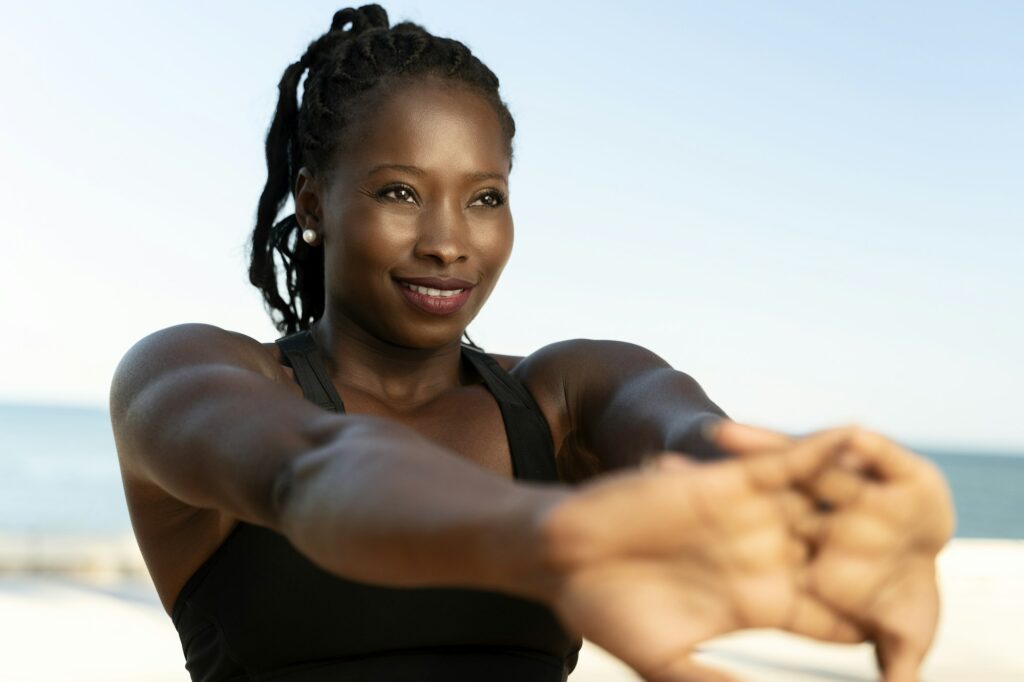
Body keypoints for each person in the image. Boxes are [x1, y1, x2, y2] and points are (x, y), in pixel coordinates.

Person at [109, 5, 954, 682]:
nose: (449, 241)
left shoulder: (560, 395)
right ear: (316, 203)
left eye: (484, 198)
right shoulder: (193, 375)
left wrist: (809, 511)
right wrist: (553, 538)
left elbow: (683, 435)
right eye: (401, 192)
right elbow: (314, 472)